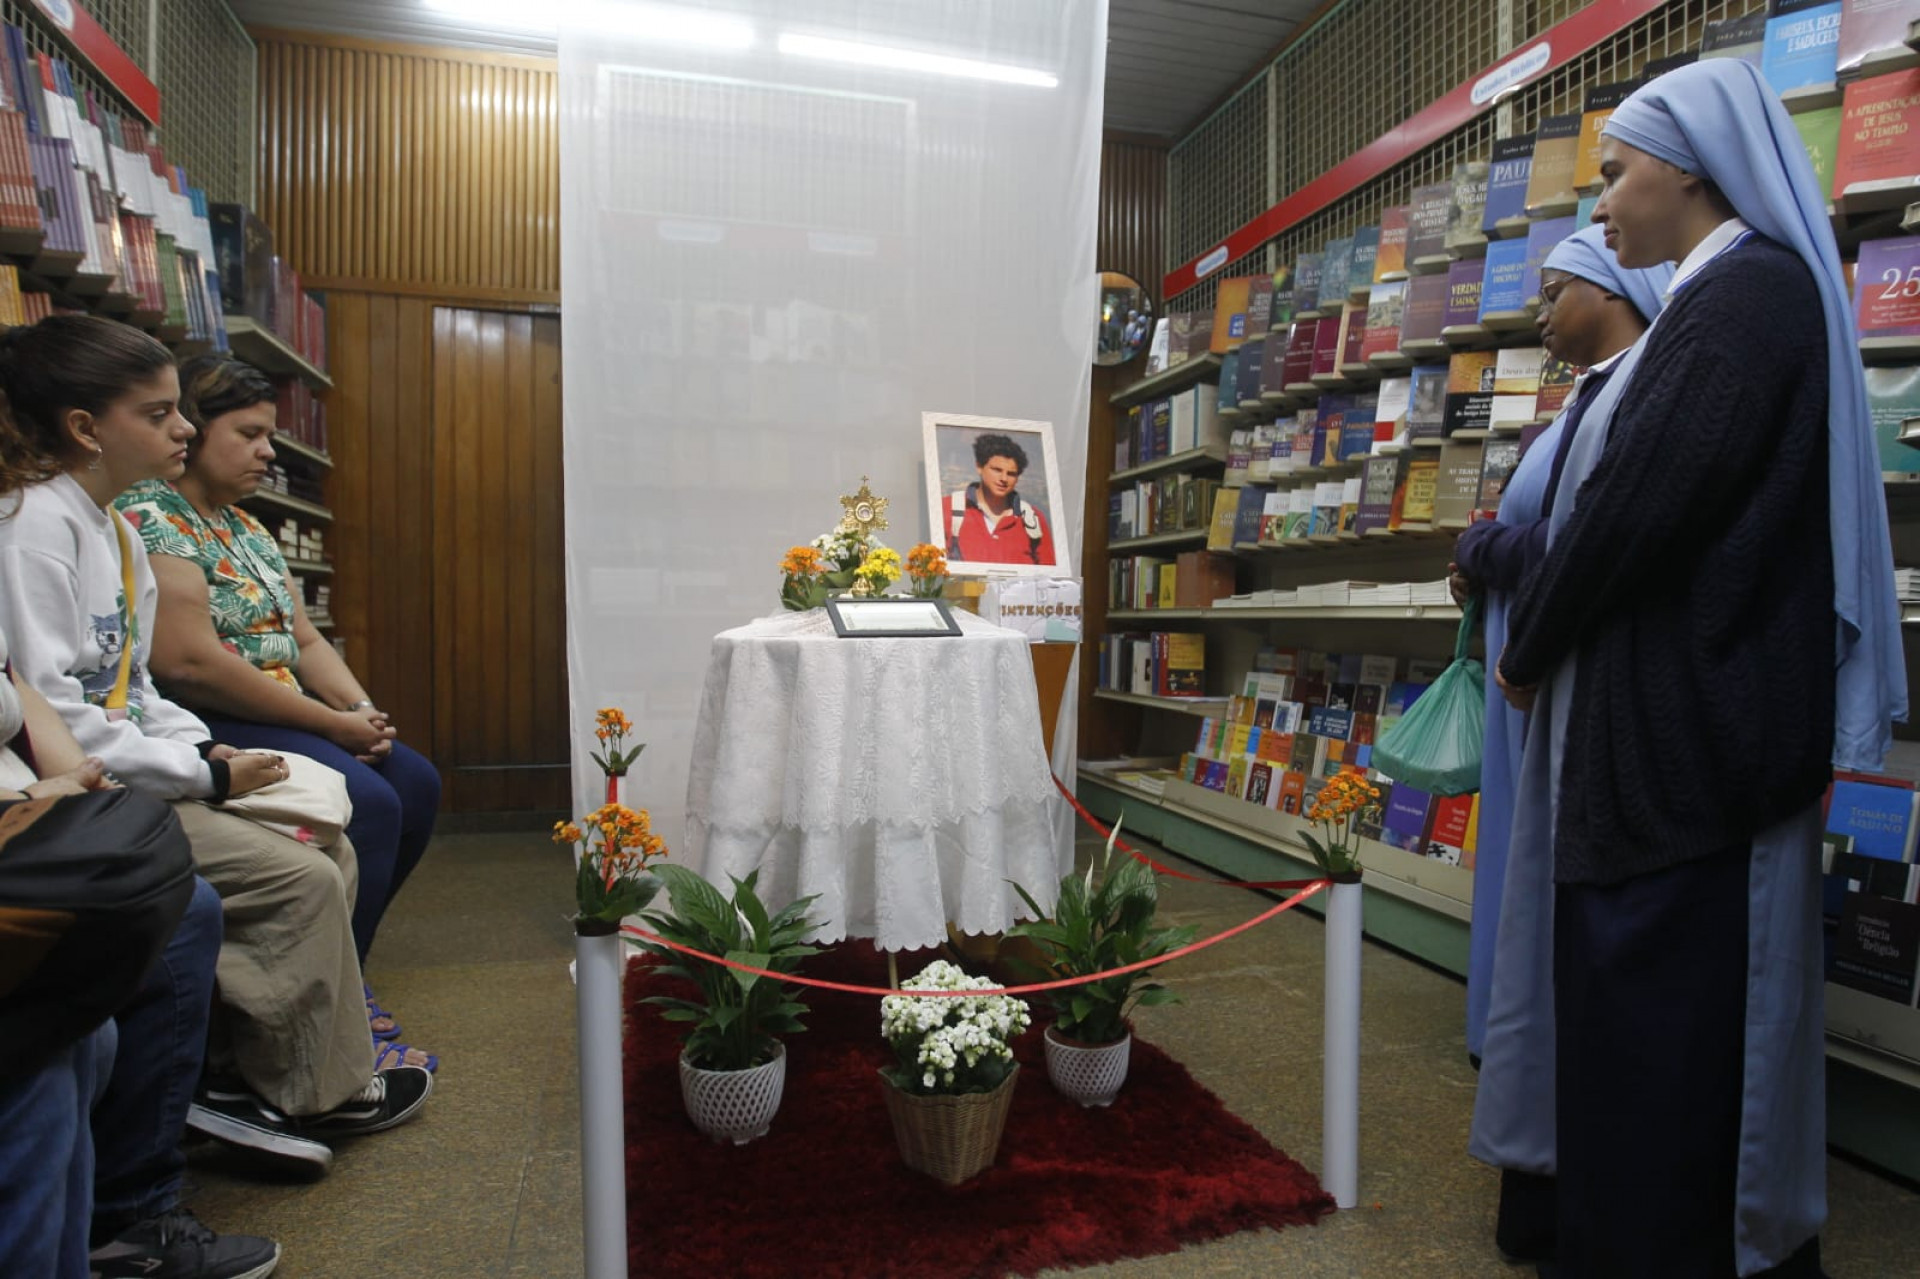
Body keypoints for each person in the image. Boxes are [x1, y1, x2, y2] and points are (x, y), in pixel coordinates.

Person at [1493, 59, 1905, 1278]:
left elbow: (1626, 515)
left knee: (1663, 1047)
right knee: (1641, 1039)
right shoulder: (1721, 299)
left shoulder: (1743, 299)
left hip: (1689, 758)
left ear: (1689, 169)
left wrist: (1531, 641)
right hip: (1673, 748)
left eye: (1617, 172)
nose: (1602, 202)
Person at [0, 315, 432, 1174]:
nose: (183, 429)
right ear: (86, 428)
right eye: (160, 414)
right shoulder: (36, 527)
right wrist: (200, 772)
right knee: (302, 870)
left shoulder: (116, 532)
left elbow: (136, 688)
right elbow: (54, 709)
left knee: (334, 834)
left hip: (146, 763)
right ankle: (304, 1086)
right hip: (85, 788)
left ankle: (264, 1065)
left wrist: (207, 756)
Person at [1446, 223, 1672, 1264]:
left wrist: (1483, 546)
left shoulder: (1635, 393)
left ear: (1613, 288)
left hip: (1560, 681)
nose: (1540, 313)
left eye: (1554, 292)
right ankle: (1505, 1038)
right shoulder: (1579, 400)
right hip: (1523, 674)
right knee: (1514, 861)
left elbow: (1574, 540)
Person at [119, 355, 441, 1070]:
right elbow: (190, 663)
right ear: (195, 431)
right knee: (370, 803)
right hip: (210, 716)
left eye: (270, 435)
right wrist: (328, 724)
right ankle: (332, 1001)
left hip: (288, 709)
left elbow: (304, 638)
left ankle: (344, 969)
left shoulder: (248, 528)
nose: (268, 451)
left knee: (415, 782)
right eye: (249, 434)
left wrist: (361, 711)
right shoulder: (152, 516)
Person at [0, 627, 281, 1278]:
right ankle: (134, 1209)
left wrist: (86, 790)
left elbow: (23, 686)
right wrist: (41, 801)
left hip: (38, 815)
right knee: (59, 1048)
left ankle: (121, 1221)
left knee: (86, 1032)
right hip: (24, 823)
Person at [947, 432, 1056, 566]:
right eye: (997, 470)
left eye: (1011, 474)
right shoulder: (948, 508)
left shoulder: (1033, 519)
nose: (1004, 479)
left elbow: (1049, 571)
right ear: (979, 467)